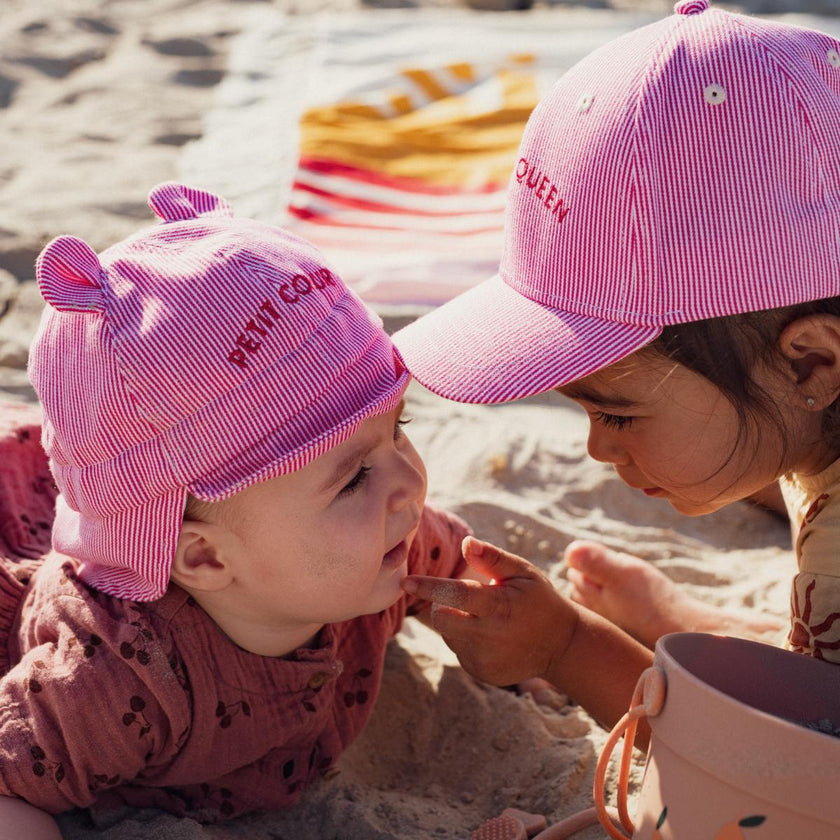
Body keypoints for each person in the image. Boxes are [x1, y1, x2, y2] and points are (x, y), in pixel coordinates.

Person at [392, 0, 840, 743]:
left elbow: (790, 771)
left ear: (812, 363)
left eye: (620, 413)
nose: (598, 449)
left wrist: (568, 649)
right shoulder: (811, 411)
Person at [0, 182, 477, 839]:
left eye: (399, 428)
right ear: (205, 557)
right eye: (354, 479)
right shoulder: (116, 683)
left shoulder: (395, 545)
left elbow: (472, 580)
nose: (410, 485)